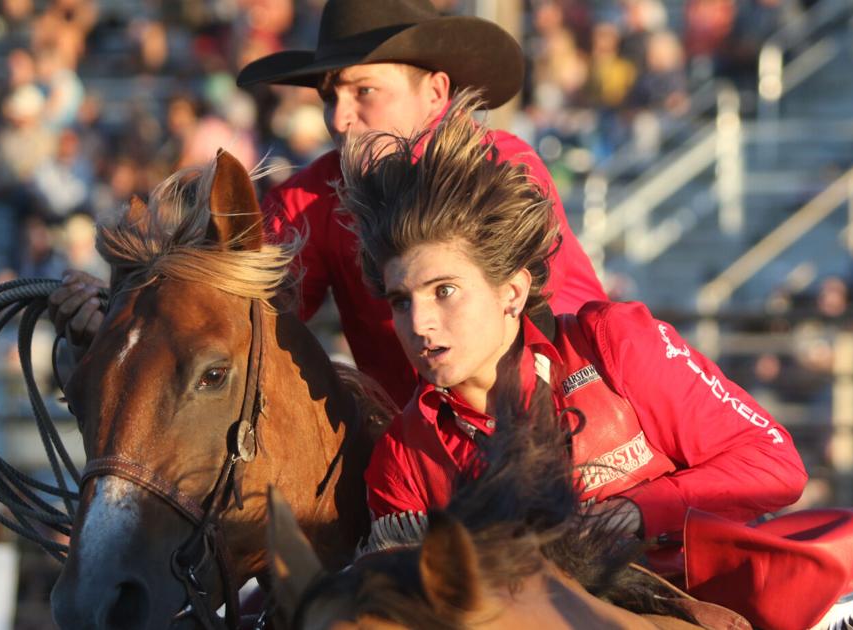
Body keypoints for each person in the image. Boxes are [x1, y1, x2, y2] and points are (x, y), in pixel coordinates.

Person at [49, 0, 607, 405]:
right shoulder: (311, 198)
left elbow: (572, 329)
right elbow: (230, 310)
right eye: (331, 96)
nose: (340, 118)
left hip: (560, 430)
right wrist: (123, 317)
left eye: (364, 91)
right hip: (414, 461)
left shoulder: (503, 167)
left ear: (435, 93)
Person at [342, 94, 807, 548]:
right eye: (400, 301)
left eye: (444, 291)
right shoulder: (401, 460)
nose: (420, 323)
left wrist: (639, 509)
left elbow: (774, 463)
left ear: (513, 291)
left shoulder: (613, 343)